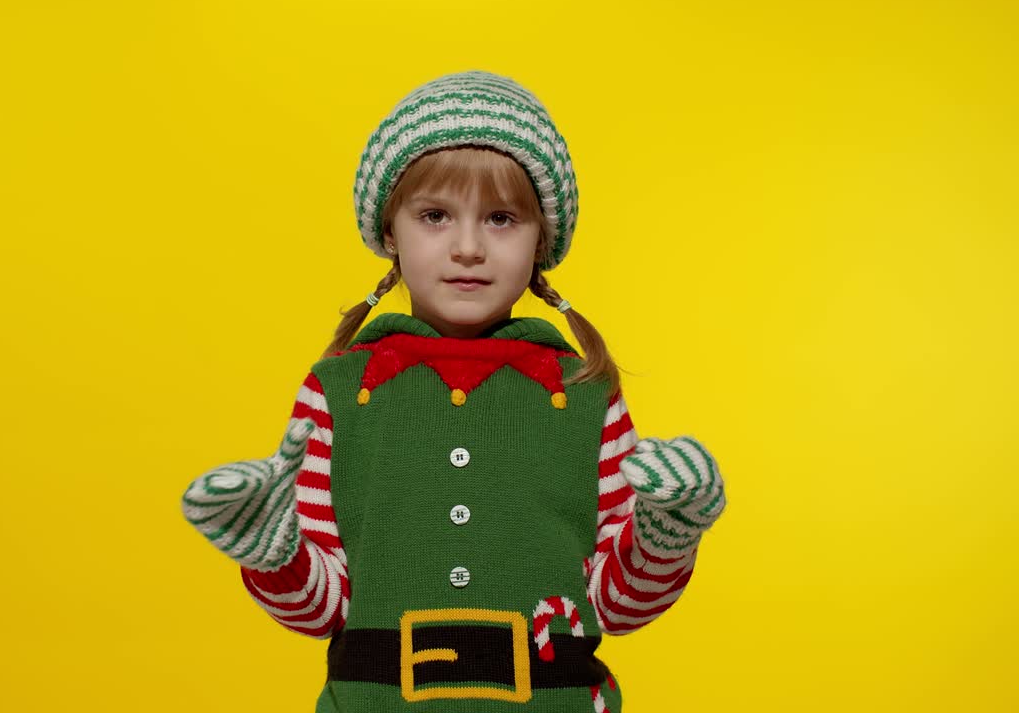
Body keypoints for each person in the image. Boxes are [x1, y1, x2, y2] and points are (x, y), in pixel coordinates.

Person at [180, 70, 728, 712]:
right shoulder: (336, 391)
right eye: (435, 216)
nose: (468, 248)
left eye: (500, 219)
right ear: (391, 232)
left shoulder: (584, 392)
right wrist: (274, 553)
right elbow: (321, 611)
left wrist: (667, 532)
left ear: (540, 241)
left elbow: (615, 604)